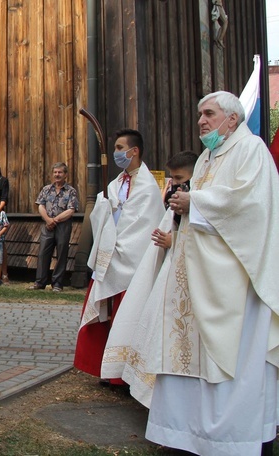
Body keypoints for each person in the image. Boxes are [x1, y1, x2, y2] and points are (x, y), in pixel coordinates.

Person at [144, 91, 279, 455]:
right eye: (200, 115)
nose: (201, 121)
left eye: (209, 114)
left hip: (235, 284)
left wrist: (195, 202)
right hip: (196, 277)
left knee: (232, 363)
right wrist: (182, 209)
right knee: (189, 358)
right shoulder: (206, 158)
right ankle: (189, 435)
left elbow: (251, 209)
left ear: (232, 119)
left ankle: (233, 439)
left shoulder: (252, 152)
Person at [99, 150, 198, 407]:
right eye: (173, 179)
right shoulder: (176, 196)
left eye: (179, 179)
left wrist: (174, 240)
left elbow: (213, 237)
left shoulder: (198, 197)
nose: (175, 185)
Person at [73, 129, 164, 384]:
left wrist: (121, 244)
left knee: (127, 317)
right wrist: (103, 208)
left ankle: (123, 375)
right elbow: (104, 217)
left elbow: (144, 225)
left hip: (132, 260)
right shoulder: (115, 184)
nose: (116, 153)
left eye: (121, 148)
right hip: (110, 256)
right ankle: (104, 368)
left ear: (134, 151)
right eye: (114, 148)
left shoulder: (147, 187)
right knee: (108, 315)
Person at [30, 162, 79, 292]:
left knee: (62, 253)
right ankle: (40, 282)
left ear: (65, 175)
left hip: (63, 225)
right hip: (47, 225)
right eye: (55, 172)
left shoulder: (71, 191)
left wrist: (55, 220)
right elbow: (40, 205)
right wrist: (47, 220)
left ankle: (57, 284)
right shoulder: (46, 189)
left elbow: (71, 210)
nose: (57, 175)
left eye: (60, 172)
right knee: (43, 253)